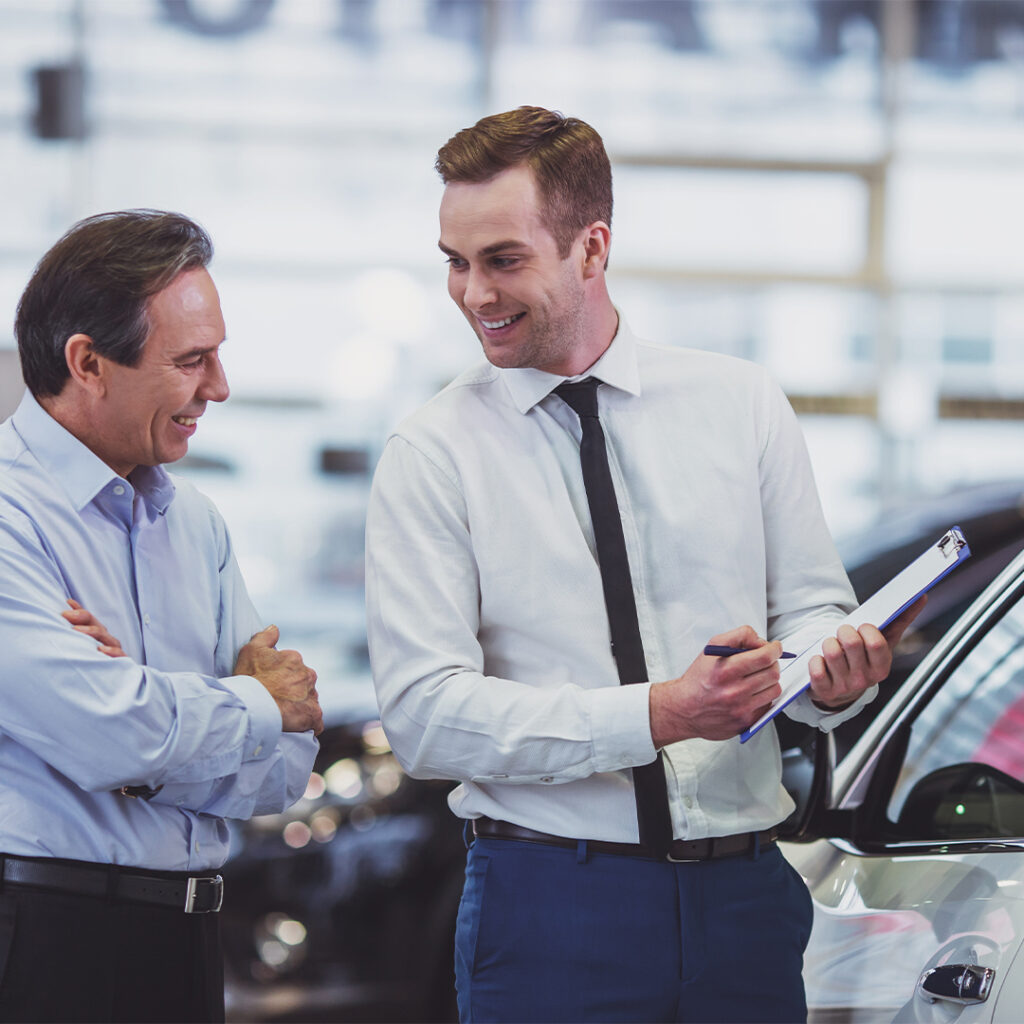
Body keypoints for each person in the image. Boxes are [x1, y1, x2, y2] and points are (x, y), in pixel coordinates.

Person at [365, 107, 922, 1023]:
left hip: (744, 899)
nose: (472, 294)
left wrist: (835, 674)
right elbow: (426, 718)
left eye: (503, 260)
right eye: (454, 263)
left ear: (592, 248)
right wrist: (661, 713)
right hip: (549, 902)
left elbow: (816, 612)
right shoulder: (432, 453)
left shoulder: (739, 403)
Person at [0, 209, 322, 1023]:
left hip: (189, 944)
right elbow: (116, 731)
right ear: (88, 362)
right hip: (43, 939)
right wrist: (244, 705)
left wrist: (142, 723)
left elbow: (284, 766)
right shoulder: (7, 513)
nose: (218, 387)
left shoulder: (198, 524)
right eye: (192, 360)